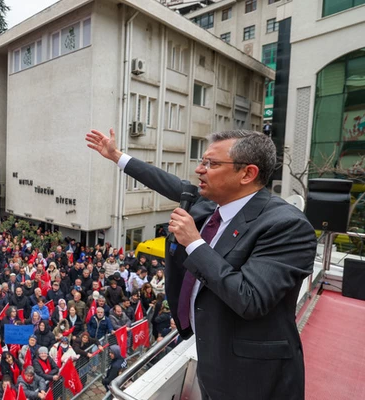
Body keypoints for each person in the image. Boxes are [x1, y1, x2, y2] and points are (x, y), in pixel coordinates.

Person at [86, 128, 317, 399]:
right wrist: (116, 156)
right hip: (211, 359)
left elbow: (250, 299)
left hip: (253, 377)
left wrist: (194, 244)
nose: (199, 170)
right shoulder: (211, 205)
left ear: (247, 174)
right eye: (202, 161)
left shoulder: (287, 226)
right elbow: (167, 181)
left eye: (212, 164)